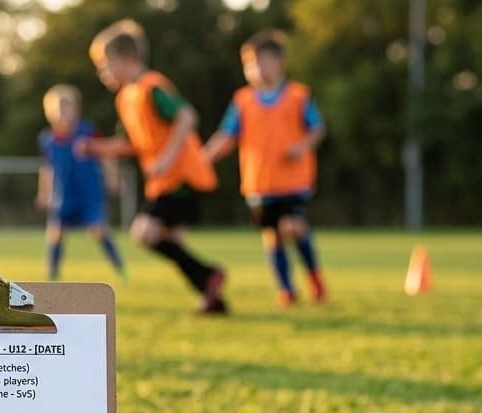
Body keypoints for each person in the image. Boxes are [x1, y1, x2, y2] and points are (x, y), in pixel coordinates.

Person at [83, 19, 229, 314]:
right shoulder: (126, 99)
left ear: (127, 59)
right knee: (168, 241)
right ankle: (211, 296)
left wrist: (165, 158)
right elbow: (131, 143)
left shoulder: (152, 87)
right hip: (164, 181)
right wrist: (96, 149)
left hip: (182, 176)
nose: (102, 72)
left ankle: (208, 276)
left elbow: (187, 116)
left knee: (144, 232)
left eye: (105, 63)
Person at [204, 31, 327, 307]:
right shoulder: (243, 101)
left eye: (263, 63)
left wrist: (301, 146)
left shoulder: (297, 96)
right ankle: (286, 289)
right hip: (259, 183)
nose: (257, 70)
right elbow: (227, 135)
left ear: (280, 63)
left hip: (294, 180)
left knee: (292, 227)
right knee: (272, 236)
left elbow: (317, 128)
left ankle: (315, 277)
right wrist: (205, 156)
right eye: (250, 65)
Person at [37, 85, 124, 282]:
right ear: (49, 112)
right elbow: (46, 168)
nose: (62, 111)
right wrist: (44, 193)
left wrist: (112, 178)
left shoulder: (87, 131)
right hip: (63, 196)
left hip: (88, 194)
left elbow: (106, 155)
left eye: (66, 106)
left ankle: (119, 267)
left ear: (76, 109)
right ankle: (52, 276)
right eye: (58, 107)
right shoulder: (48, 139)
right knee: (56, 234)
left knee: (98, 230)